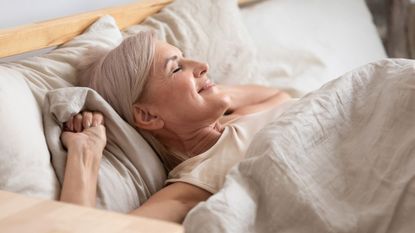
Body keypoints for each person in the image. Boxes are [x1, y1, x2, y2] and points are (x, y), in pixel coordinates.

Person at [59, 31, 293, 223]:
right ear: (148, 116)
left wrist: (212, 92)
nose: (203, 65)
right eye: (176, 68)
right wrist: (85, 153)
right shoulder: (196, 182)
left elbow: (279, 95)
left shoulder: (241, 117)